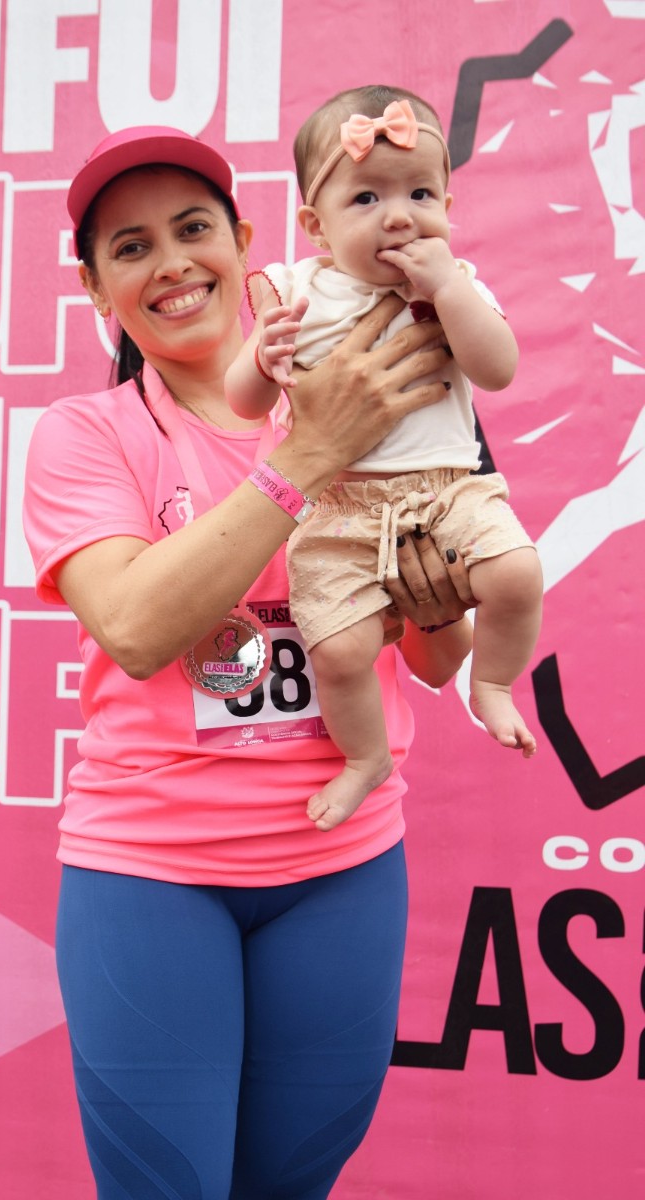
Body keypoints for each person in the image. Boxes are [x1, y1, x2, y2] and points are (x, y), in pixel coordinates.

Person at [23, 122, 474, 1200]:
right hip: (150, 875)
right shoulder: (86, 434)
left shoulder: (366, 393)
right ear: (96, 288)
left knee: (290, 1184)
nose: (171, 264)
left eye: (193, 229)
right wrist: (306, 455)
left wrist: (437, 596)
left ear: (248, 241)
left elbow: (435, 654)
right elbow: (136, 629)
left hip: (342, 867)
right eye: (130, 248)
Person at [226, 84, 543, 833]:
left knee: (517, 573)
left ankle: (493, 684)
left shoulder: (458, 287)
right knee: (339, 650)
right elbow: (244, 401)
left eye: (420, 194)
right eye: (366, 198)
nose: (399, 216)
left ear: (449, 208)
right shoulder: (294, 290)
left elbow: (498, 369)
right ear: (317, 226)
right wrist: (264, 357)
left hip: (447, 494)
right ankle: (365, 757)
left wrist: (448, 292)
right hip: (340, 508)